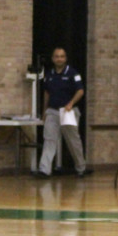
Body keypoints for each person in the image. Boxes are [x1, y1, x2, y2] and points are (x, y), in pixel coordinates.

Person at [37, 47, 89, 178]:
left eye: (62, 56)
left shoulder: (73, 73)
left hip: (68, 112)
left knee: (73, 141)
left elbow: (80, 91)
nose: (59, 59)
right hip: (52, 111)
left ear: (65, 58)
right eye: (56, 56)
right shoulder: (49, 74)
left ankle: (81, 167)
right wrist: (44, 110)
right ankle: (44, 170)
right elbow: (47, 93)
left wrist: (71, 103)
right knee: (49, 139)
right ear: (53, 59)